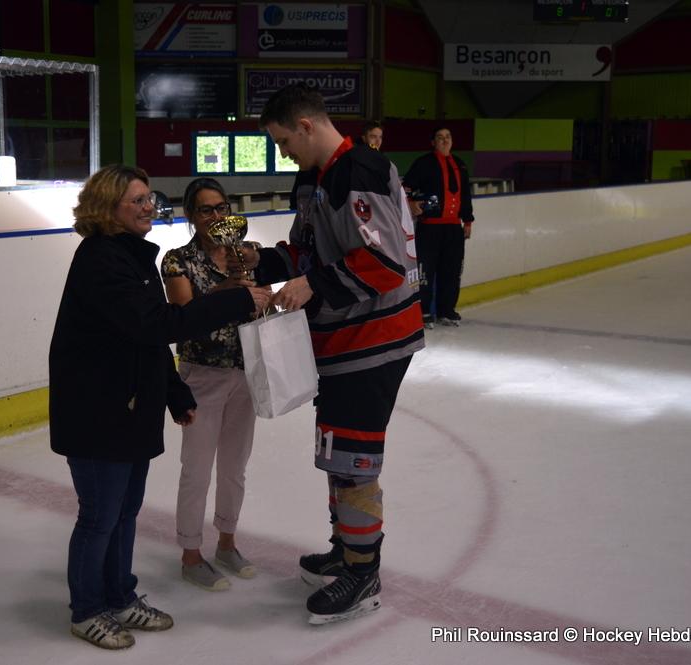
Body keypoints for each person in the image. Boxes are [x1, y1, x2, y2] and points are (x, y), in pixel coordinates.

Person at [48, 165, 271, 649]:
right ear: (109, 208)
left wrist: (173, 391)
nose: (150, 207)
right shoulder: (101, 260)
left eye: (150, 198)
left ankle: (120, 597)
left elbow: (145, 338)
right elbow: (157, 325)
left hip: (130, 406)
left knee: (125, 511)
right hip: (98, 410)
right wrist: (235, 301)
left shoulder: (130, 257)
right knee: (100, 516)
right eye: (138, 201)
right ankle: (87, 610)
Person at [236, 84, 425, 625]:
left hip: (374, 341)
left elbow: (386, 263)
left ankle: (363, 573)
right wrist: (263, 259)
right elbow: (306, 249)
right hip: (342, 341)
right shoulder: (315, 178)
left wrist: (311, 285)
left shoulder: (359, 172)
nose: (281, 152)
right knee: (338, 453)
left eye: (281, 140)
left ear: (306, 125)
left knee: (355, 462)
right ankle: (347, 550)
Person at [161, 178, 261, 592]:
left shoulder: (245, 253)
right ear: (191, 215)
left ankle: (227, 542)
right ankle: (190, 554)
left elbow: (260, 300)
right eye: (206, 210)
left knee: (235, 467)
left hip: (246, 370)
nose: (216, 216)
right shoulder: (177, 261)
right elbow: (185, 314)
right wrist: (229, 288)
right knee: (197, 470)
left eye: (222, 207)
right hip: (202, 373)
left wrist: (257, 285)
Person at [402, 126, 475, 328]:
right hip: (430, 227)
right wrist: (410, 203)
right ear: (433, 142)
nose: (445, 141)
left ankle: (446, 310)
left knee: (451, 271)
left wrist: (467, 221)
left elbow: (466, 196)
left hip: (453, 228)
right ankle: (423, 311)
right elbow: (405, 188)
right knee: (425, 270)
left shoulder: (461, 165)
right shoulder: (423, 163)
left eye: (448, 137)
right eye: (440, 137)